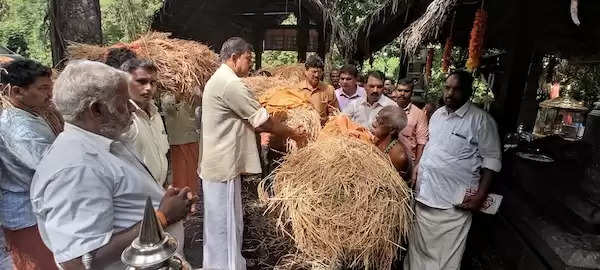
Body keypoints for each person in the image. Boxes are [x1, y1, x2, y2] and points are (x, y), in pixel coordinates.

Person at [30, 60, 193, 269]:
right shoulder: (77, 168)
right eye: (123, 102)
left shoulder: (105, 142)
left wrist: (166, 201)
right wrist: (162, 217)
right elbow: (78, 261)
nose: (132, 111)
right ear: (96, 110)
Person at [201, 37, 303, 270]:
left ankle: (226, 264)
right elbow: (263, 122)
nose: (250, 64)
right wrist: (293, 134)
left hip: (222, 165)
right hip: (223, 167)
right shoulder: (230, 84)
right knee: (224, 227)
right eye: (248, 58)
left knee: (224, 226)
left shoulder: (221, 80)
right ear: (234, 57)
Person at [404, 70, 502, 270]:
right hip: (425, 195)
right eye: (447, 88)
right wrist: (417, 168)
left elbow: (491, 161)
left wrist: (481, 195)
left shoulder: (481, 120)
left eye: (456, 90)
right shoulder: (437, 115)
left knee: (445, 259)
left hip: (453, 206)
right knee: (417, 251)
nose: (449, 93)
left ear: (468, 91)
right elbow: (431, 147)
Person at [0, 59, 58, 270]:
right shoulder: (19, 130)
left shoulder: (30, 115)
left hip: (36, 210)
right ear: (17, 92)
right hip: (27, 215)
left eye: (50, 88)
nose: (49, 95)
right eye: (43, 89)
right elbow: (52, 168)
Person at [120, 58, 170, 186]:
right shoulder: (121, 117)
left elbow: (161, 153)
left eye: (153, 83)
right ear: (125, 82)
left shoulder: (155, 113)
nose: (148, 88)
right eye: (141, 82)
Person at [161, 92, 201, 195]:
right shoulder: (166, 95)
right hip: (176, 143)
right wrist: (177, 96)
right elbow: (168, 108)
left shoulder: (190, 92)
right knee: (179, 177)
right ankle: (181, 201)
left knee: (193, 176)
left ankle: (194, 201)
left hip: (192, 140)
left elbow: (200, 103)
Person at [393, 78, 429, 186]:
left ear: (411, 93)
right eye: (400, 90)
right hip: (387, 161)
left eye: (406, 91)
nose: (402, 94)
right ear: (395, 91)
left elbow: (421, 144)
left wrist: (415, 168)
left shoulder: (419, 114)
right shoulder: (388, 108)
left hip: (408, 166)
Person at [371, 106, 411, 180]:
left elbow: (393, 186)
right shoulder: (376, 140)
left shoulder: (399, 157)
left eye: (380, 123)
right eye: (376, 119)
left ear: (392, 130)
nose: (374, 124)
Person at [300, 55, 339, 125]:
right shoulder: (296, 90)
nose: (317, 75)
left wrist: (325, 120)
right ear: (306, 71)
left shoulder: (329, 90)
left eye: (319, 72)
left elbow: (334, 114)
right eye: (314, 72)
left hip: (322, 131)